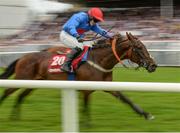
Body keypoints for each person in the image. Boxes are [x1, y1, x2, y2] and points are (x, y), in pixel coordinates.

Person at [60, 7, 114, 72]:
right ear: (91, 16)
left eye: (98, 21)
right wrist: (77, 36)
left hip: (75, 37)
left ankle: (84, 63)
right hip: (66, 35)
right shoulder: (80, 17)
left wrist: (112, 36)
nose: (96, 22)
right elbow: (71, 26)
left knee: (90, 45)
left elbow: (101, 31)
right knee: (80, 46)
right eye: (96, 20)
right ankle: (65, 65)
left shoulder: (91, 23)